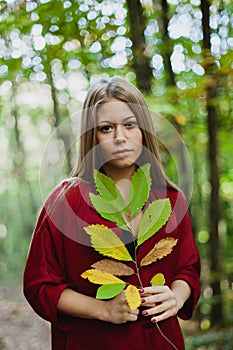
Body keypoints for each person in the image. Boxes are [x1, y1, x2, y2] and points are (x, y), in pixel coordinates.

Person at [23, 76, 200, 350]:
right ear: (91, 136)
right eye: (106, 128)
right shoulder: (64, 203)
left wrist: (176, 297)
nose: (120, 137)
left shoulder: (169, 199)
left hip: (159, 341)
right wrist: (102, 310)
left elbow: (187, 269)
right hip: (92, 342)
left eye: (130, 124)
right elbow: (40, 286)